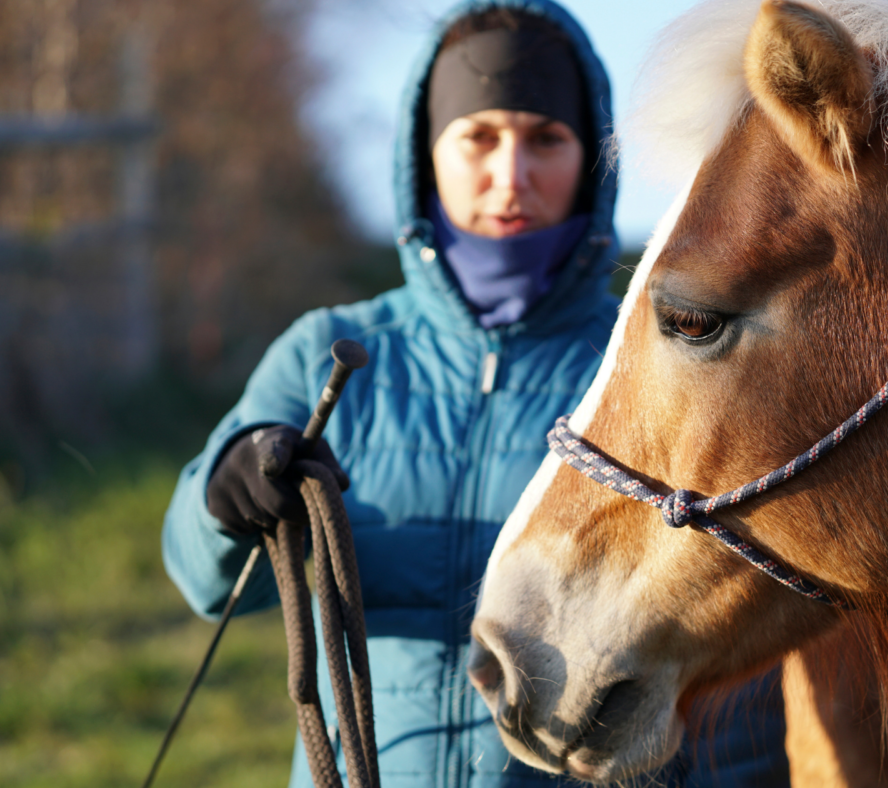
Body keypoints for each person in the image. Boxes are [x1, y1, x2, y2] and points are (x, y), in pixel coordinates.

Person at [161, 1, 790, 787]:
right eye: (479, 138)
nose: (511, 176)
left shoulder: (663, 357)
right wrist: (226, 497)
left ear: (592, 156)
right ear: (428, 152)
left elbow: (737, 671)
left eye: (546, 140)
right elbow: (200, 579)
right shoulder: (332, 357)